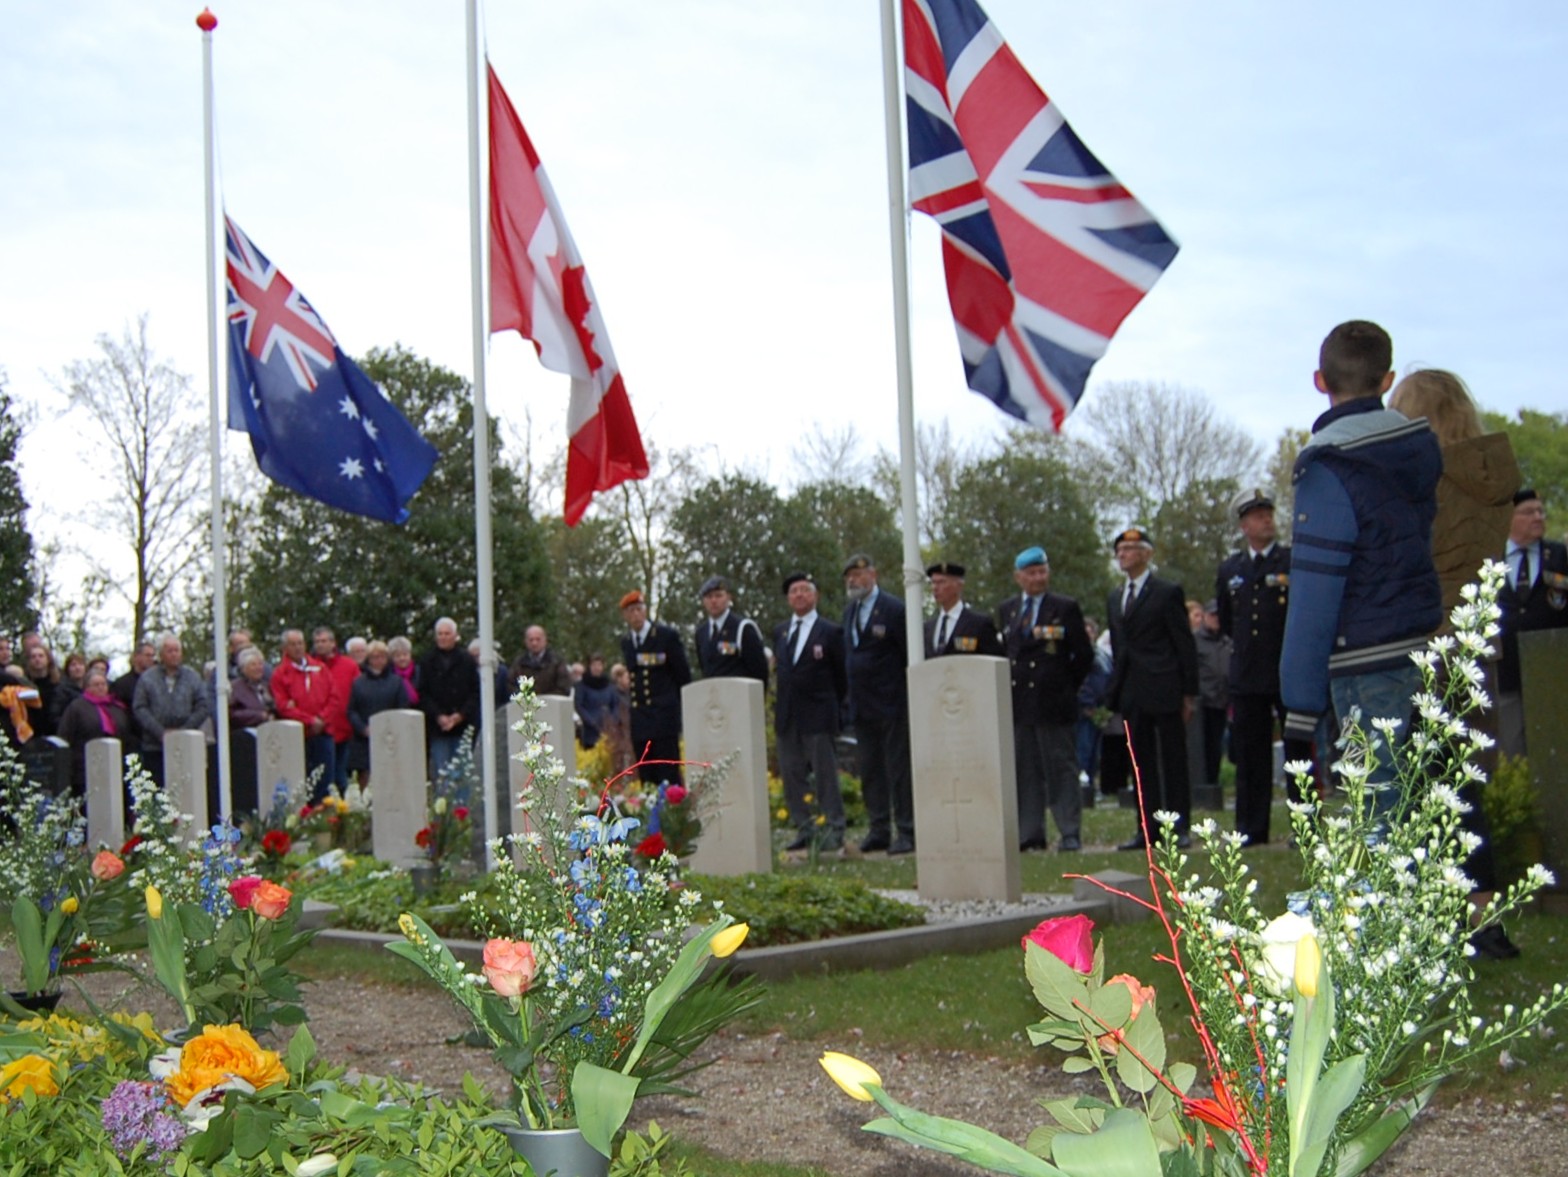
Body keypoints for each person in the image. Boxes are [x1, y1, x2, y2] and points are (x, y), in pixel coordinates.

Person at [1389, 368, 1524, 959]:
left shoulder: (1427, 483)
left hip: (1425, 641)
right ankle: (1483, 917)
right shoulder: (1489, 478)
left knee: (1419, 788)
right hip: (1475, 645)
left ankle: (1429, 919)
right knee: (1465, 786)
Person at [1280, 320, 1442, 810]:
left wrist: (1299, 710)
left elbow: (1315, 591)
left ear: (1319, 380)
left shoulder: (1330, 465)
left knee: (1376, 810)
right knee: (1417, 808)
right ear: (1387, 380)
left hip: (1361, 658)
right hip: (1421, 646)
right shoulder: (1418, 448)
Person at [1216, 488, 1313, 846]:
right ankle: (1251, 828)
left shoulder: (1290, 561)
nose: (1266, 520)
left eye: (1269, 513)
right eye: (1258, 516)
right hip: (1248, 674)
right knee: (1250, 755)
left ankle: (1305, 826)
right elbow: (1228, 621)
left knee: (1297, 752)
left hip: (1287, 669)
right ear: (1244, 525)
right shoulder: (1232, 569)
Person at [1106, 527, 1198, 849]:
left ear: (1146, 554)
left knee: (1173, 758)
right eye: (1119, 549)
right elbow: (1120, 647)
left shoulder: (1166, 592)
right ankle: (1147, 827)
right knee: (1140, 763)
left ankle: (1179, 824)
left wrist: (1189, 691)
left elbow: (1183, 643)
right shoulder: (1116, 597)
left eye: (1130, 548)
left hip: (1164, 686)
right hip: (1132, 690)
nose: (1123, 554)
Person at [997, 545, 1093, 852]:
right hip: (1020, 704)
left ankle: (1069, 831)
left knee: (1060, 768)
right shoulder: (1008, 610)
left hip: (1054, 702)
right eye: (1032, 573)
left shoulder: (1064, 607)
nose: (1038, 578)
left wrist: (1065, 685)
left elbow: (1083, 655)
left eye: (1042, 571)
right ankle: (1030, 832)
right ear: (1018, 577)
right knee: (1026, 770)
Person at [841, 554, 914, 855]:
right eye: (849, 576)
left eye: (858, 575)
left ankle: (908, 830)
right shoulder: (850, 612)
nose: (853, 581)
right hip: (862, 705)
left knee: (898, 769)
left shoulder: (894, 609)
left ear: (874, 574)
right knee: (871, 770)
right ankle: (879, 829)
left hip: (892, 703)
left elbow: (909, 652)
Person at [773, 572, 848, 852]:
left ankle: (834, 827)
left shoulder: (829, 631)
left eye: (805, 590)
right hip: (787, 716)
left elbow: (842, 677)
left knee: (825, 774)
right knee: (792, 775)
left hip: (818, 715)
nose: (799, 595)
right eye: (794, 591)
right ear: (788, 598)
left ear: (814, 595)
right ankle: (805, 828)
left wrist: (834, 708)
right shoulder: (781, 631)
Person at [1494, 488, 1568, 757]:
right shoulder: (1492, 558)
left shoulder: (1559, 555)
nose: (1537, 517)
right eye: (1528, 512)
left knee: (1552, 751)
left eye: (1540, 511)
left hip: (1551, 671)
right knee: (1511, 753)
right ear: (1508, 518)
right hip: (1505, 674)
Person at [618, 591, 692, 782]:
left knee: (668, 774)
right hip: (640, 719)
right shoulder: (627, 642)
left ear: (645, 611)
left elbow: (682, 675)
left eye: (638, 609)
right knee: (646, 775)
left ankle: (671, 810)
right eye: (630, 611)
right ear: (625, 616)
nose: (635, 615)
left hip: (663, 717)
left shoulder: (665, 636)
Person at [131, 633, 210, 786]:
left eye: (177, 650)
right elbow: (140, 708)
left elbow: (203, 705)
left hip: (187, 743)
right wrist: (160, 732)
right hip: (155, 746)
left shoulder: (192, 676)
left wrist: (184, 730)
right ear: (161, 654)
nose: (174, 654)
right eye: (169, 651)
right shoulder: (147, 678)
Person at [272, 629, 339, 795]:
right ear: (285, 647)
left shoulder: (320, 668)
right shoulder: (280, 674)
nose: (297, 648)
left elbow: (334, 697)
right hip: (297, 736)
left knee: (325, 782)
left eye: (300, 643)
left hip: (323, 733)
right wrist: (309, 721)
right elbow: (283, 706)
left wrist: (322, 719)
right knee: (300, 783)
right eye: (292, 644)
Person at [419, 617, 481, 781]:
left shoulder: (467, 660)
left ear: (455, 636)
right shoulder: (427, 661)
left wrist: (460, 715)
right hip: (438, 727)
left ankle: (462, 807)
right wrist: (439, 716)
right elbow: (423, 694)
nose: (443, 637)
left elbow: (475, 692)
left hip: (463, 726)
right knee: (442, 773)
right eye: (440, 634)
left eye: (447, 633)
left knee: (463, 773)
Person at [56, 667, 132, 796]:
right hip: (84, 766)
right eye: (96, 685)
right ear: (87, 687)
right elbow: (65, 735)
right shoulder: (77, 707)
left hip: (115, 765)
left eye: (103, 684)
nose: (101, 688)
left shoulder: (116, 707)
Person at [347, 640, 406, 786]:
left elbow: (402, 708)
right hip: (364, 740)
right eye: (374, 657)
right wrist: (363, 729)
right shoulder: (358, 682)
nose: (378, 660)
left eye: (382, 657)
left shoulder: (396, 682)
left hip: (391, 739)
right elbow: (351, 710)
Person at [693, 576, 769, 684]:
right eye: (709, 597)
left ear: (728, 597)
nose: (713, 601)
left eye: (718, 596)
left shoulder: (743, 628)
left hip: (739, 695)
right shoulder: (701, 633)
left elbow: (759, 671)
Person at [313, 627, 360, 792]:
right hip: (321, 730)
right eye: (317, 642)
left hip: (346, 729)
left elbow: (358, 694)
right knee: (325, 778)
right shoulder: (311, 667)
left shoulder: (349, 665)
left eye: (324, 641)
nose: (320, 645)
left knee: (342, 776)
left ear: (333, 643)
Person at [923, 561, 1003, 658]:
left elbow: (995, 660)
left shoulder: (979, 624)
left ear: (959, 586)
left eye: (941, 582)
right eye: (933, 583)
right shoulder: (928, 628)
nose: (935, 588)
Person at [1193, 599, 1231, 790]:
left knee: (1217, 745)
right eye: (1212, 615)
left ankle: (1213, 781)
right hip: (1203, 702)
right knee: (1203, 745)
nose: (1216, 619)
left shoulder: (1226, 640)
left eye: (1218, 615)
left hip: (1222, 700)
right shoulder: (1195, 640)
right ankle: (1203, 781)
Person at [512, 626, 573, 697]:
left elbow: (564, 687)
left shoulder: (557, 662)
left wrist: (543, 700)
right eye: (531, 640)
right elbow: (511, 685)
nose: (534, 643)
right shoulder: (519, 663)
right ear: (525, 642)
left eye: (538, 639)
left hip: (551, 705)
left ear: (545, 640)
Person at [575, 653, 618, 748]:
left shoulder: (609, 685)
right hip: (590, 730)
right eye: (594, 665)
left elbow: (615, 704)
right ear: (589, 667)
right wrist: (591, 722)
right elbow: (579, 705)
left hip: (608, 730)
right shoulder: (582, 685)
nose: (597, 668)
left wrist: (612, 720)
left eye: (599, 665)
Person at [228, 646, 275, 729]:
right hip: (246, 732)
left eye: (260, 664)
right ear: (244, 669)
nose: (258, 668)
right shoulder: (236, 687)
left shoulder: (266, 686)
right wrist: (258, 716)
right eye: (253, 665)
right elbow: (231, 714)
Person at [388, 636, 421, 707]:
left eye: (405, 654)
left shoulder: (420, 671)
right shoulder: (388, 674)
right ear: (392, 658)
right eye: (397, 655)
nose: (402, 658)